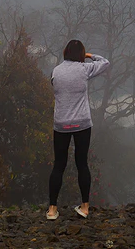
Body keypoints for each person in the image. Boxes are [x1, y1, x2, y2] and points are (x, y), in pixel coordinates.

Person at [47, 39, 110, 220]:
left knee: (59, 165)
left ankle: (52, 210)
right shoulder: (85, 69)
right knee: (82, 164)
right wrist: (90, 56)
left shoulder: (56, 71)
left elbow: (54, 85)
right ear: (81, 55)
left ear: (65, 52)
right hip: (82, 123)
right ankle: (85, 207)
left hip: (61, 123)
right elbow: (105, 63)